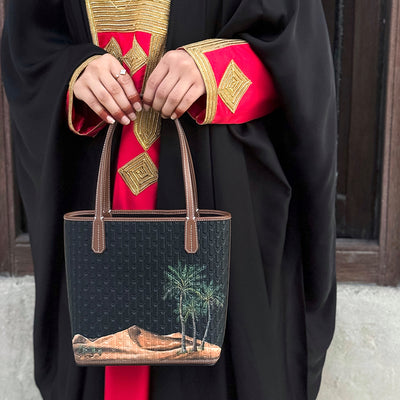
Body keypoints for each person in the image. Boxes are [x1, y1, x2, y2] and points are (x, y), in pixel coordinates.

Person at [1, 0, 337, 399]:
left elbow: (299, 53)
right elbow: (28, 48)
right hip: (94, 185)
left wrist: (212, 69)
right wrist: (74, 75)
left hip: (221, 188)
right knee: (105, 341)